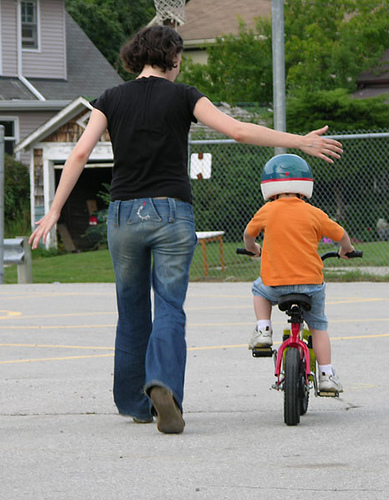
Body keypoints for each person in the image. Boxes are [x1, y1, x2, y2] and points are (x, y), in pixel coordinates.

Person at [29, 25, 343, 434]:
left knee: (131, 310)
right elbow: (238, 130)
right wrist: (298, 141)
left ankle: (136, 404)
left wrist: (54, 210)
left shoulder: (109, 98)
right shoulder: (184, 95)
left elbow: (81, 153)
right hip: (172, 214)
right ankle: (164, 386)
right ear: (173, 58)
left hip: (124, 214)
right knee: (170, 307)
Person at [243, 153, 354, 393]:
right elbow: (341, 234)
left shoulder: (267, 210)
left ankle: (263, 329)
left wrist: (253, 249)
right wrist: (346, 249)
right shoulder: (314, 212)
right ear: (305, 185)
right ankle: (326, 375)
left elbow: (248, 234)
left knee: (258, 288)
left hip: (275, 285)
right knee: (318, 326)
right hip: (310, 286)